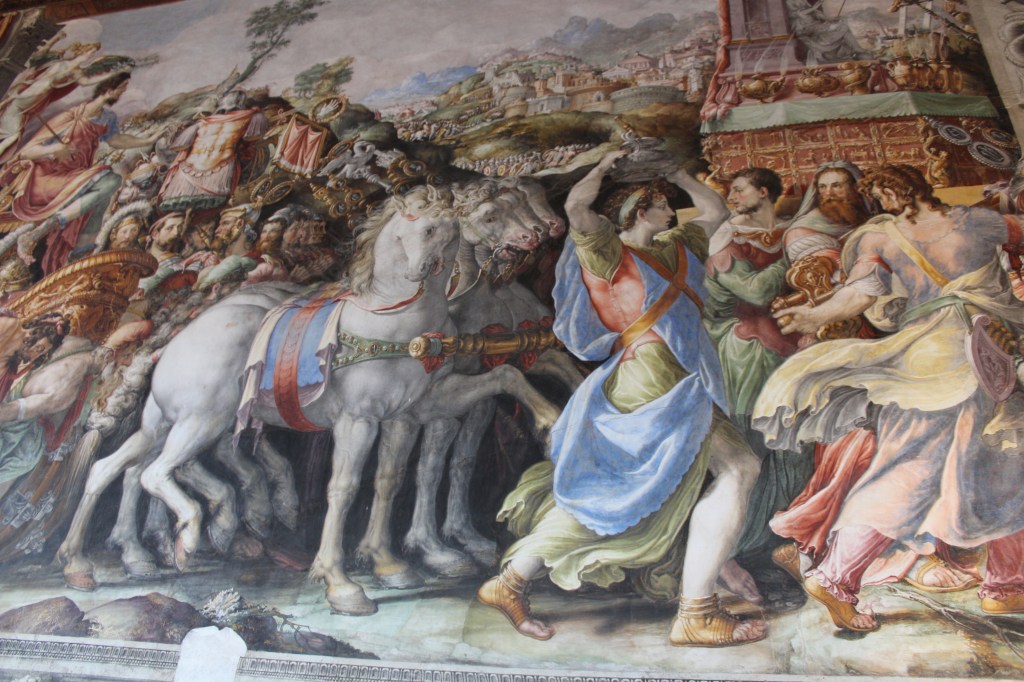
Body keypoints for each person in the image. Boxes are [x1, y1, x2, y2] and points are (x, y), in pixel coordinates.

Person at [476, 149, 766, 647]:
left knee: (717, 472)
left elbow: (714, 210)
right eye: (661, 203)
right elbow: (577, 209)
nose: (672, 210)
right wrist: (604, 165)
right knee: (638, 489)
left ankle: (513, 581)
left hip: (683, 378)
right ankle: (694, 613)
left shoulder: (678, 247)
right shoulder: (608, 253)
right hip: (648, 382)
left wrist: (677, 171)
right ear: (637, 210)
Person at [754, 164, 1024, 631]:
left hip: (933, 357)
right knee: (962, 466)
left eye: (886, 193)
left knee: (995, 464)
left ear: (907, 191)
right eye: (880, 196)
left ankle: (1007, 582)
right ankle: (839, 574)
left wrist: (813, 316)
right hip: (970, 354)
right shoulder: (971, 222)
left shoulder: (890, 235)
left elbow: (858, 295)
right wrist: (813, 316)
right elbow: (860, 294)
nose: (885, 202)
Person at [703, 168, 812, 571]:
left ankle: (789, 536)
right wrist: (795, 256)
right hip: (747, 350)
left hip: (792, 347)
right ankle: (744, 547)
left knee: (798, 443)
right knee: (756, 443)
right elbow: (757, 291)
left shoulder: (790, 232)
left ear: (764, 192)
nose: (731, 197)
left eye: (738, 189)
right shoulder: (727, 238)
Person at [2, 73, 164, 275]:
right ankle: (61, 240)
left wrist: (147, 140)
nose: (122, 92)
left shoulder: (107, 118)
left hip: (76, 176)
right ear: (109, 88)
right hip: (48, 178)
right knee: (110, 179)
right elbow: (27, 152)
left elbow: (115, 140)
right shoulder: (68, 117)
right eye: (121, 87)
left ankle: (78, 251)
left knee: (106, 190)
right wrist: (54, 149)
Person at [157, 90, 268, 213]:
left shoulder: (202, 122)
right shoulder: (203, 122)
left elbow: (179, 146)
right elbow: (252, 137)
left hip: (215, 175)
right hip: (192, 175)